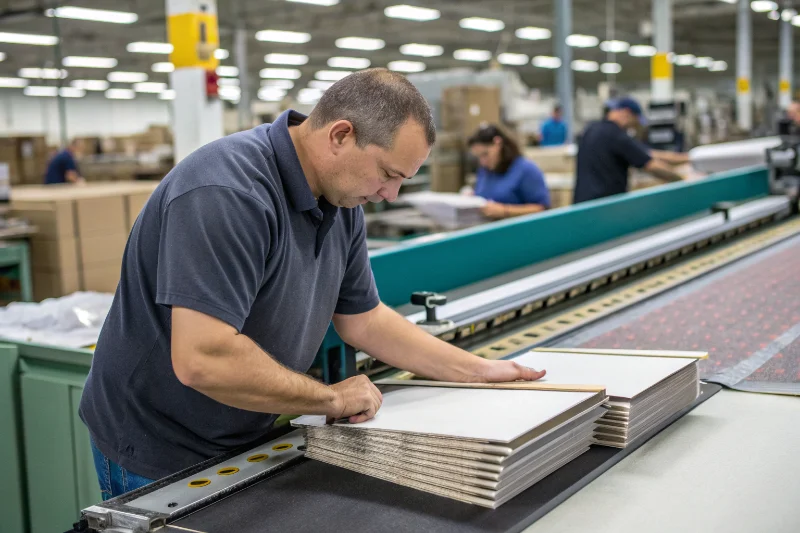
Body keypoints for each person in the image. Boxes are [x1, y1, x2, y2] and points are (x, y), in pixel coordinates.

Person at [79, 68, 546, 499]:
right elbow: (203, 357)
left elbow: (365, 320)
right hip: (161, 446)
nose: (391, 194)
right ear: (341, 135)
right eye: (387, 173)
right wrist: (331, 397)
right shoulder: (228, 191)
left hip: (244, 426)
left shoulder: (342, 203)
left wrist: (477, 371)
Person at [573, 97, 688, 204]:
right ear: (627, 113)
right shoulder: (616, 135)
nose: (634, 126)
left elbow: (648, 153)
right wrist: (684, 180)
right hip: (605, 207)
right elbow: (651, 165)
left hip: (582, 205)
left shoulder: (591, 129)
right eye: (635, 121)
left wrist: (688, 158)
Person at [468, 124, 550, 219]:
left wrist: (505, 210)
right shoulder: (485, 171)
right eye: (478, 157)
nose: (482, 162)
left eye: (485, 154)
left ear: (498, 143)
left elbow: (541, 209)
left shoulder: (526, 169)